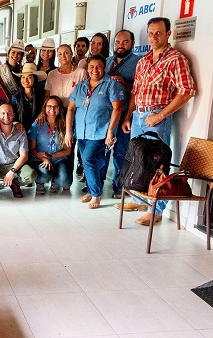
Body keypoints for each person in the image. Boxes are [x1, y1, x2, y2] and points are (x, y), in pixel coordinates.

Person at [116, 17, 197, 226]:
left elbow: (187, 91)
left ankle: (156, 210)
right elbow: (135, 91)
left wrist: (160, 116)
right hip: (138, 117)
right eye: (151, 33)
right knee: (137, 161)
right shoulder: (143, 61)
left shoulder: (176, 59)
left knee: (157, 164)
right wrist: (128, 116)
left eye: (159, 32)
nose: (154, 37)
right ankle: (139, 200)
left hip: (157, 117)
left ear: (168, 33)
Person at [66, 55, 124, 209]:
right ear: (87, 68)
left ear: (104, 67)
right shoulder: (81, 86)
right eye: (91, 66)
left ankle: (96, 194)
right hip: (82, 132)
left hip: (100, 132)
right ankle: (92, 191)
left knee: (88, 159)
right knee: (94, 162)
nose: (95, 70)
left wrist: (110, 131)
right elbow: (71, 108)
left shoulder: (111, 84)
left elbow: (117, 109)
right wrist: (68, 131)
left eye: (98, 66)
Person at [44, 44, 87, 186]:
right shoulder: (52, 74)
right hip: (54, 113)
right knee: (53, 144)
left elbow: (85, 95)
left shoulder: (80, 72)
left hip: (74, 113)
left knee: (69, 145)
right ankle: (51, 174)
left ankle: (66, 178)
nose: (63, 56)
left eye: (66, 53)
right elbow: (47, 97)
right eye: (60, 53)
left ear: (71, 54)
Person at [105, 30, 142, 199]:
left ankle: (119, 187)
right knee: (102, 152)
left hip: (125, 114)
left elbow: (139, 90)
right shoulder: (106, 62)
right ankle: (95, 185)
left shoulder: (138, 63)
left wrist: (124, 83)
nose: (120, 45)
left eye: (125, 42)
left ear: (132, 44)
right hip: (105, 115)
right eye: (118, 42)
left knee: (121, 153)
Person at [28, 96, 72, 194]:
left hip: (58, 159)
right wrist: (44, 158)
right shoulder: (37, 124)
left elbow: (67, 150)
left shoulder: (64, 125)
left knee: (64, 181)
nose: (52, 109)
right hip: (39, 159)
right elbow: (32, 149)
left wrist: (50, 156)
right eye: (49, 106)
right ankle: (40, 182)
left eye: (56, 107)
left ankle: (55, 181)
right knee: (45, 173)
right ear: (45, 108)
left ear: (60, 108)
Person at [10, 63, 47, 132]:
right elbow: (10, 115)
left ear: (34, 78)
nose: (25, 80)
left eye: (29, 77)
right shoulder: (15, 97)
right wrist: (16, 123)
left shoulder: (41, 95)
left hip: (37, 131)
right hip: (20, 131)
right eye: (23, 77)